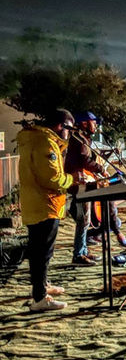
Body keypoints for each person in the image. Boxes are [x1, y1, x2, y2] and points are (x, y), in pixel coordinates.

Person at [17, 109, 75, 311]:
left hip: (36, 203)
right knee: (42, 252)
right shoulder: (45, 142)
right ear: (60, 126)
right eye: (69, 129)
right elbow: (52, 178)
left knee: (40, 250)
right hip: (45, 204)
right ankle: (40, 298)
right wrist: (72, 180)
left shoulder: (35, 139)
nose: (70, 133)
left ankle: (42, 285)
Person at [65, 111, 108, 266]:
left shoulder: (82, 138)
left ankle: (83, 250)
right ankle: (78, 254)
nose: (95, 125)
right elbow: (85, 160)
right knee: (83, 220)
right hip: (80, 183)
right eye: (93, 122)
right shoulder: (79, 139)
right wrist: (100, 169)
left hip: (83, 182)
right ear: (84, 123)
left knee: (85, 219)